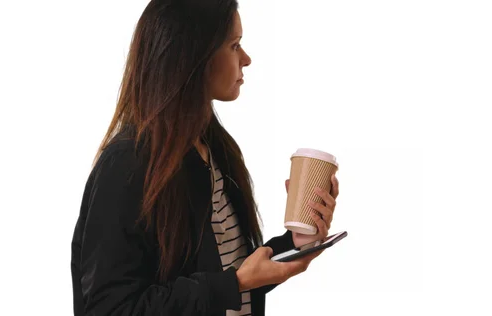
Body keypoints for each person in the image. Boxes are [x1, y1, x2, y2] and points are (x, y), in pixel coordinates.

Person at [70, 1, 340, 315]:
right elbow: (110, 308)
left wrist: (296, 242)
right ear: (193, 58)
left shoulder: (215, 148)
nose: (247, 59)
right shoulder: (126, 164)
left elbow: (225, 271)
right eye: (234, 45)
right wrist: (235, 284)